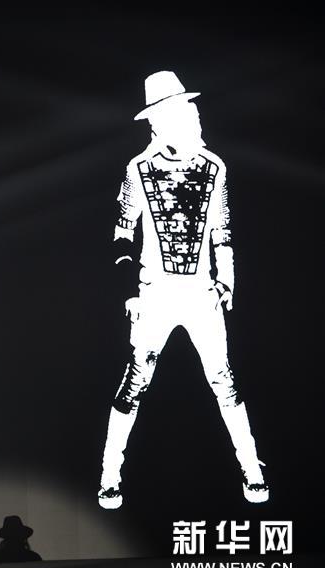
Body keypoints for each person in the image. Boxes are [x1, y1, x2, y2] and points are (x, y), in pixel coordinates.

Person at [98, 71, 269, 509]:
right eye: (170, 114)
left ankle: (252, 470)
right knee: (135, 381)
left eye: (185, 111)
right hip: (154, 292)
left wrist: (225, 281)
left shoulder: (214, 168)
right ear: (156, 122)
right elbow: (122, 233)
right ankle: (109, 475)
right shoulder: (138, 170)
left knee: (224, 382)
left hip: (200, 293)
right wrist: (129, 291)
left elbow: (222, 231)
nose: (184, 119)